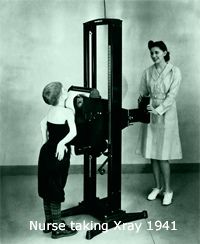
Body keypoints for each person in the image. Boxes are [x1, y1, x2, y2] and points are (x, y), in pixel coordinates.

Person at [136, 40, 182, 206]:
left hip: (166, 114)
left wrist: (159, 109)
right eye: (151, 53)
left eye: (156, 52)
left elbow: (172, 95)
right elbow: (142, 93)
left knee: (163, 155)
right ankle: (157, 187)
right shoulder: (147, 72)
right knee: (153, 154)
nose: (153, 55)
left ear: (164, 52)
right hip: (150, 114)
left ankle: (168, 190)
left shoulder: (174, 71)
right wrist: (143, 106)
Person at [38, 81, 78, 239]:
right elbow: (73, 133)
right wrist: (61, 143)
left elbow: (42, 124)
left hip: (47, 152)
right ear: (62, 96)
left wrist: (46, 143)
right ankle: (57, 229)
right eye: (64, 89)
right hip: (58, 155)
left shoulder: (51, 109)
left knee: (47, 185)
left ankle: (49, 222)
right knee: (56, 188)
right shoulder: (68, 112)